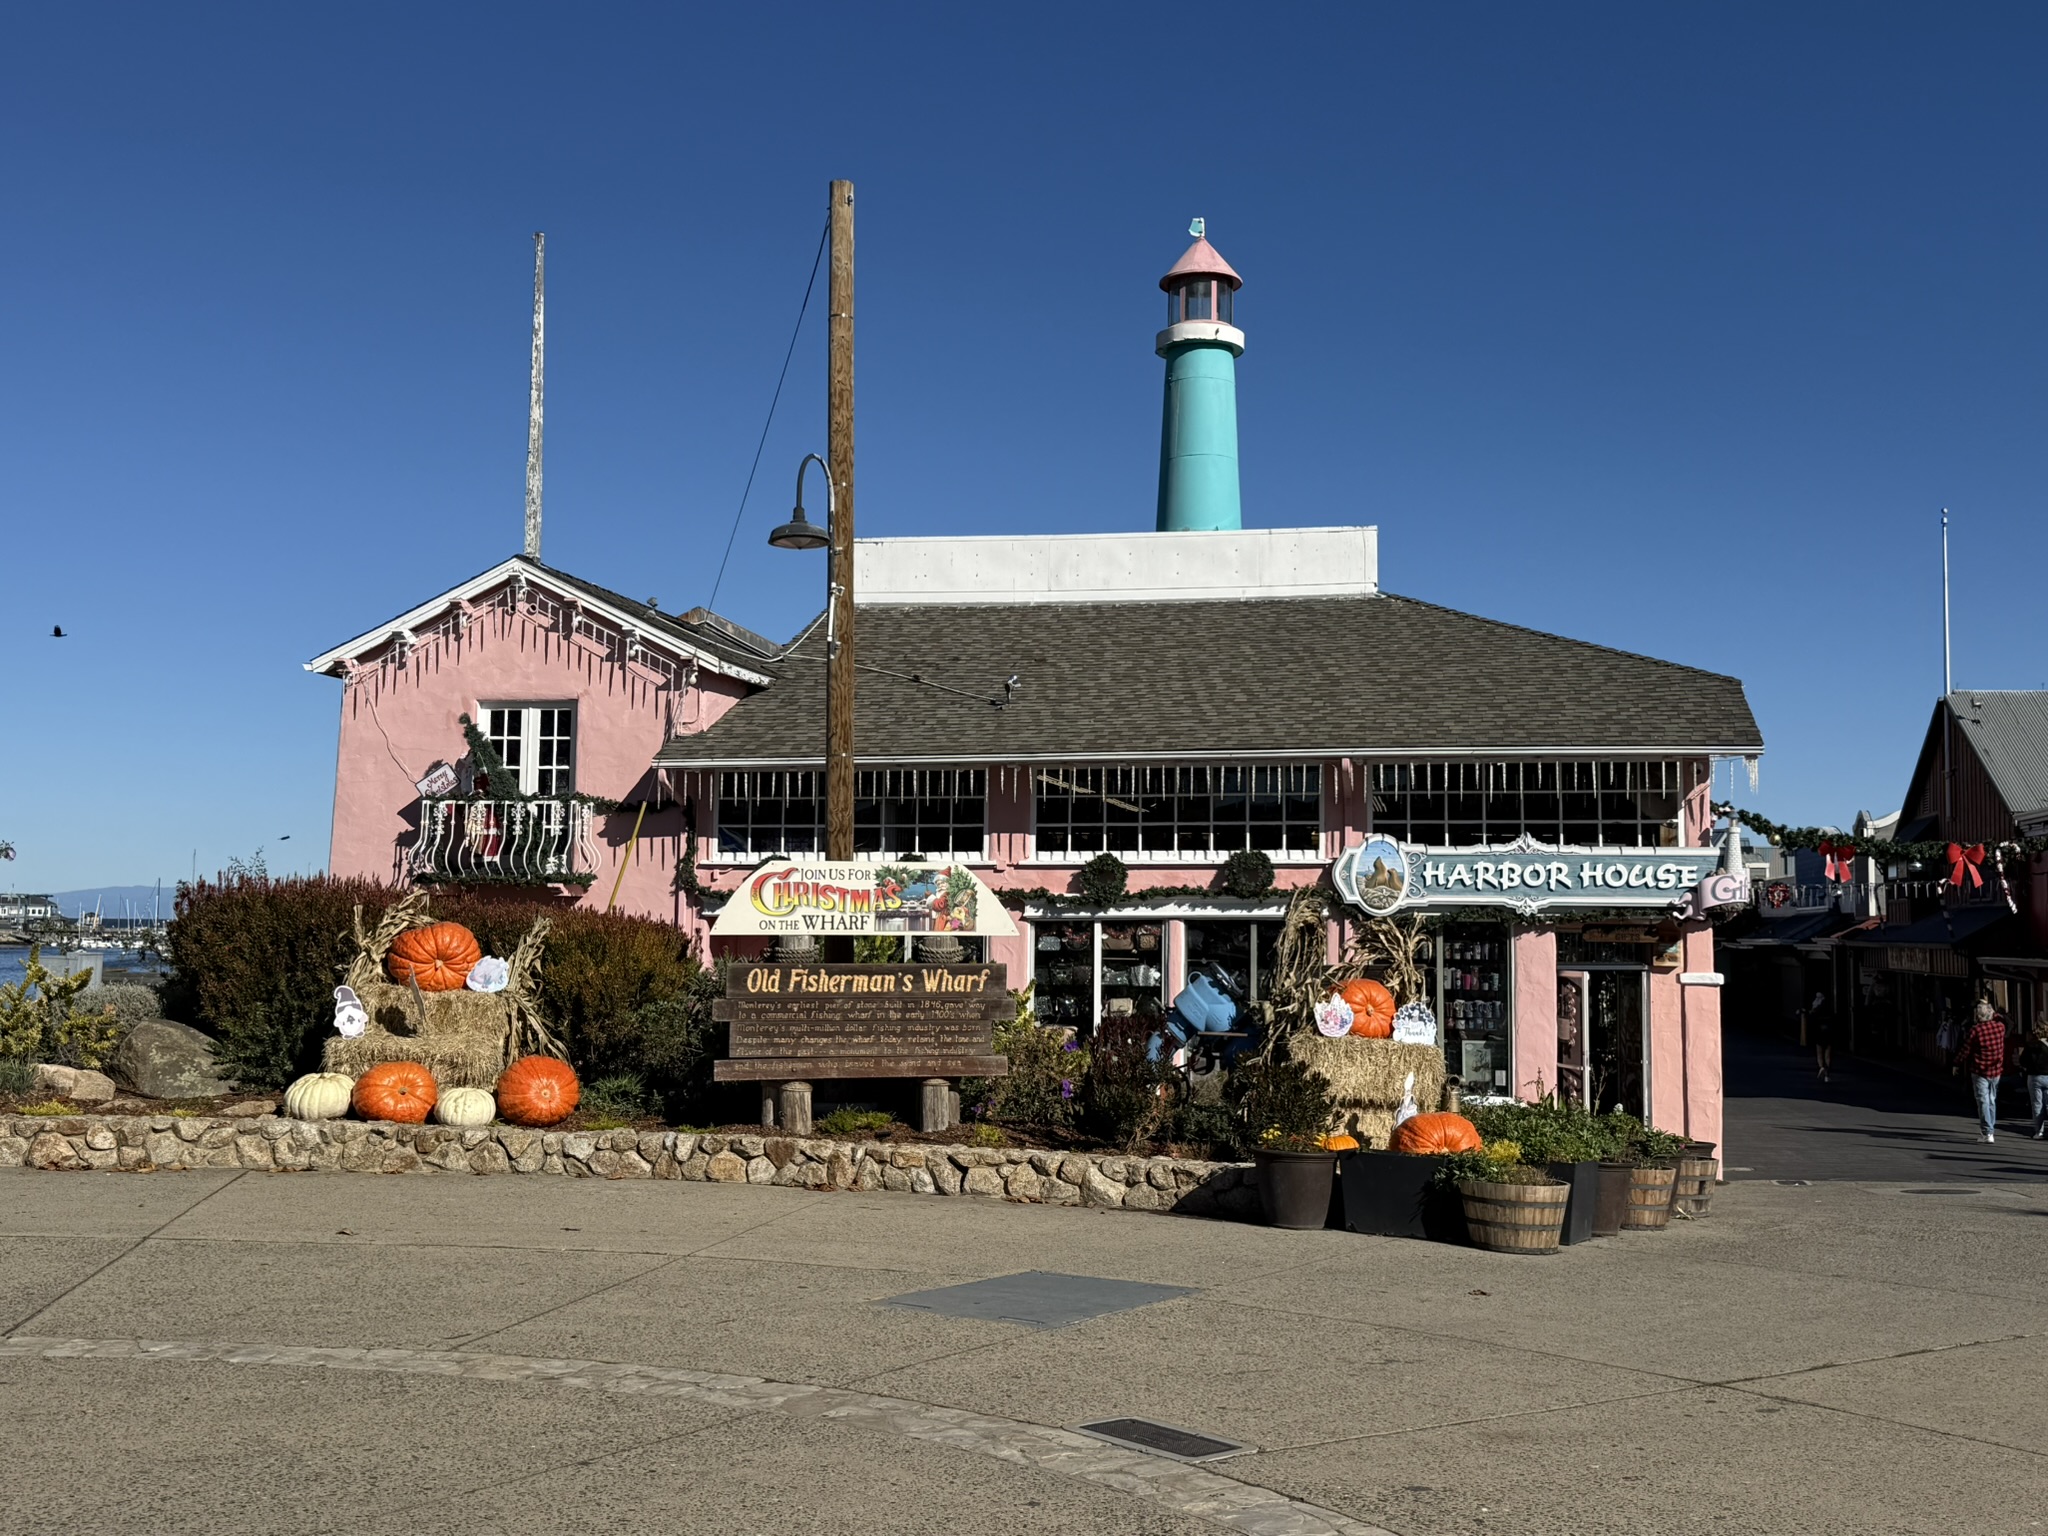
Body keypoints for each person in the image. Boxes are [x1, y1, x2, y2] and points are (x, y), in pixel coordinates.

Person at [1951, 998, 2010, 1143]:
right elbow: (2000, 1017)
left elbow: (1965, 1050)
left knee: (1983, 1100)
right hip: (1996, 1069)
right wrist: (1989, 1007)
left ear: (1978, 1017)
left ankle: (1987, 1132)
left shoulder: (1975, 1030)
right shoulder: (2000, 1027)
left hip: (1979, 1070)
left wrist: (1956, 1064)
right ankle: (1990, 1130)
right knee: (1991, 1100)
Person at [2019, 1022, 2048, 1140]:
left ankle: (2039, 1132)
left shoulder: (2030, 1046)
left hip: (2034, 1077)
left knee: (2037, 1104)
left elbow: (2023, 1061)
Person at [1807, 990, 1834, 1082]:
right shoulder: (1829, 1009)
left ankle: (1821, 1067)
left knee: (1819, 1053)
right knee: (1828, 1054)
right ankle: (1827, 1074)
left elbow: (1811, 1019)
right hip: (1828, 1033)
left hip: (1818, 1033)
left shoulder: (1816, 1010)